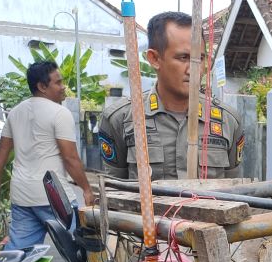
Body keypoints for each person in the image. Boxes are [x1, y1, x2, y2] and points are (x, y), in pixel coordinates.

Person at [98, 11, 242, 181]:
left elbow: (234, 190)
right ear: (154, 59)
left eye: (200, 58)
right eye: (183, 58)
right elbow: (115, 192)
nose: (194, 69)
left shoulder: (227, 120)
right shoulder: (122, 119)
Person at [0, 60, 94, 248]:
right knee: (80, 251)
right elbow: (70, 158)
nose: (63, 87)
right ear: (42, 86)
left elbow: (3, 150)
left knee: (19, 256)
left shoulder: (15, 112)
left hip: (22, 196)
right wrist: (87, 189)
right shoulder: (60, 113)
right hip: (53, 196)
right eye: (58, 83)